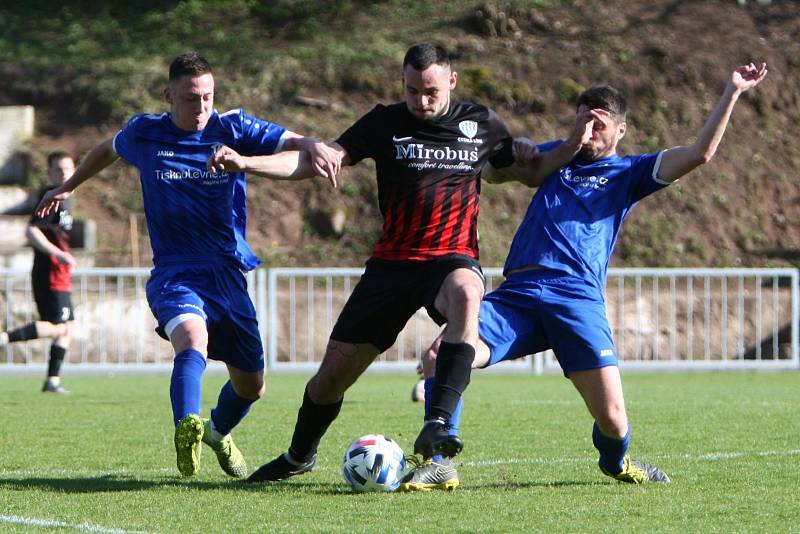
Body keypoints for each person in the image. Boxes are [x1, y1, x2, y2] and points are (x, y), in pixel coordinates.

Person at [403, 62, 768, 491]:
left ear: (620, 131)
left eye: (599, 123)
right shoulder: (555, 156)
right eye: (582, 119)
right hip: (519, 293)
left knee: (613, 421)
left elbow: (699, 153)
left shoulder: (629, 173)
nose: (589, 130)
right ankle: (439, 459)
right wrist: (514, 148)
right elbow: (497, 170)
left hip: (576, 299)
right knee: (439, 354)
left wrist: (733, 91)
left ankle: (616, 462)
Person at [239, 42, 563, 486]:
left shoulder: (480, 123)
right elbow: (316, 160)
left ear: (451, 80)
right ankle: (299, 456)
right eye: (412, 91)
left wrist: (560, 146)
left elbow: (527, 170)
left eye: (430, 91)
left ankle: (439, 425)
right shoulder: (383, 122)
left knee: (469, 293)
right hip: (391, 267)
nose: (421, 101)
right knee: (330, 380)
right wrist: (246, 163)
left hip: (450, 259)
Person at [36, 51, 341, 478]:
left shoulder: (231, 127)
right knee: (191, 338)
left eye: (207, 97)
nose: (200, 108)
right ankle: (188, 426)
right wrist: (68, 186)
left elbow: (295, 147)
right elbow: (108, 148)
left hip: (226, 271)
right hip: (175, 270)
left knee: (252, 385)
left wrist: (306, 144)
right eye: (190, 98)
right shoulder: (146, 134)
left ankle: (215, 431)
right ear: (169, 95)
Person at [0, 151, 78, 394]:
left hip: (59, 274)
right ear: (50, 173)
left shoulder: (66, 199)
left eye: (67, 168)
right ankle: (4, 338)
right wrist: (58, 254)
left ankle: (52, 380)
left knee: (69, 326)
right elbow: (32, 231)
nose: (63, 173)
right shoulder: (51, 198)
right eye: (58, 169)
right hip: (50, 274)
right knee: (60, 327)